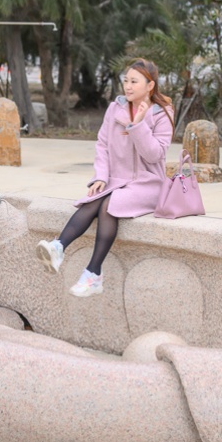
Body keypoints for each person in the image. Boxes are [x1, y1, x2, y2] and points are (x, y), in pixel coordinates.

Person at [36, 58, 175, 297]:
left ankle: (93, 272)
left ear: (150, 85)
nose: (128, 86)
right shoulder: (115, 109)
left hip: (147, 182)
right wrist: (100, 176)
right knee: (93, 199)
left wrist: (138, 124)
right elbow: (102, 145)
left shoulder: (162, 113)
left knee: (109, 205)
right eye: (126, 81)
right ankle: (58, 247)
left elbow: (155, 155)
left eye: (134, 81)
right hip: (116, 180)